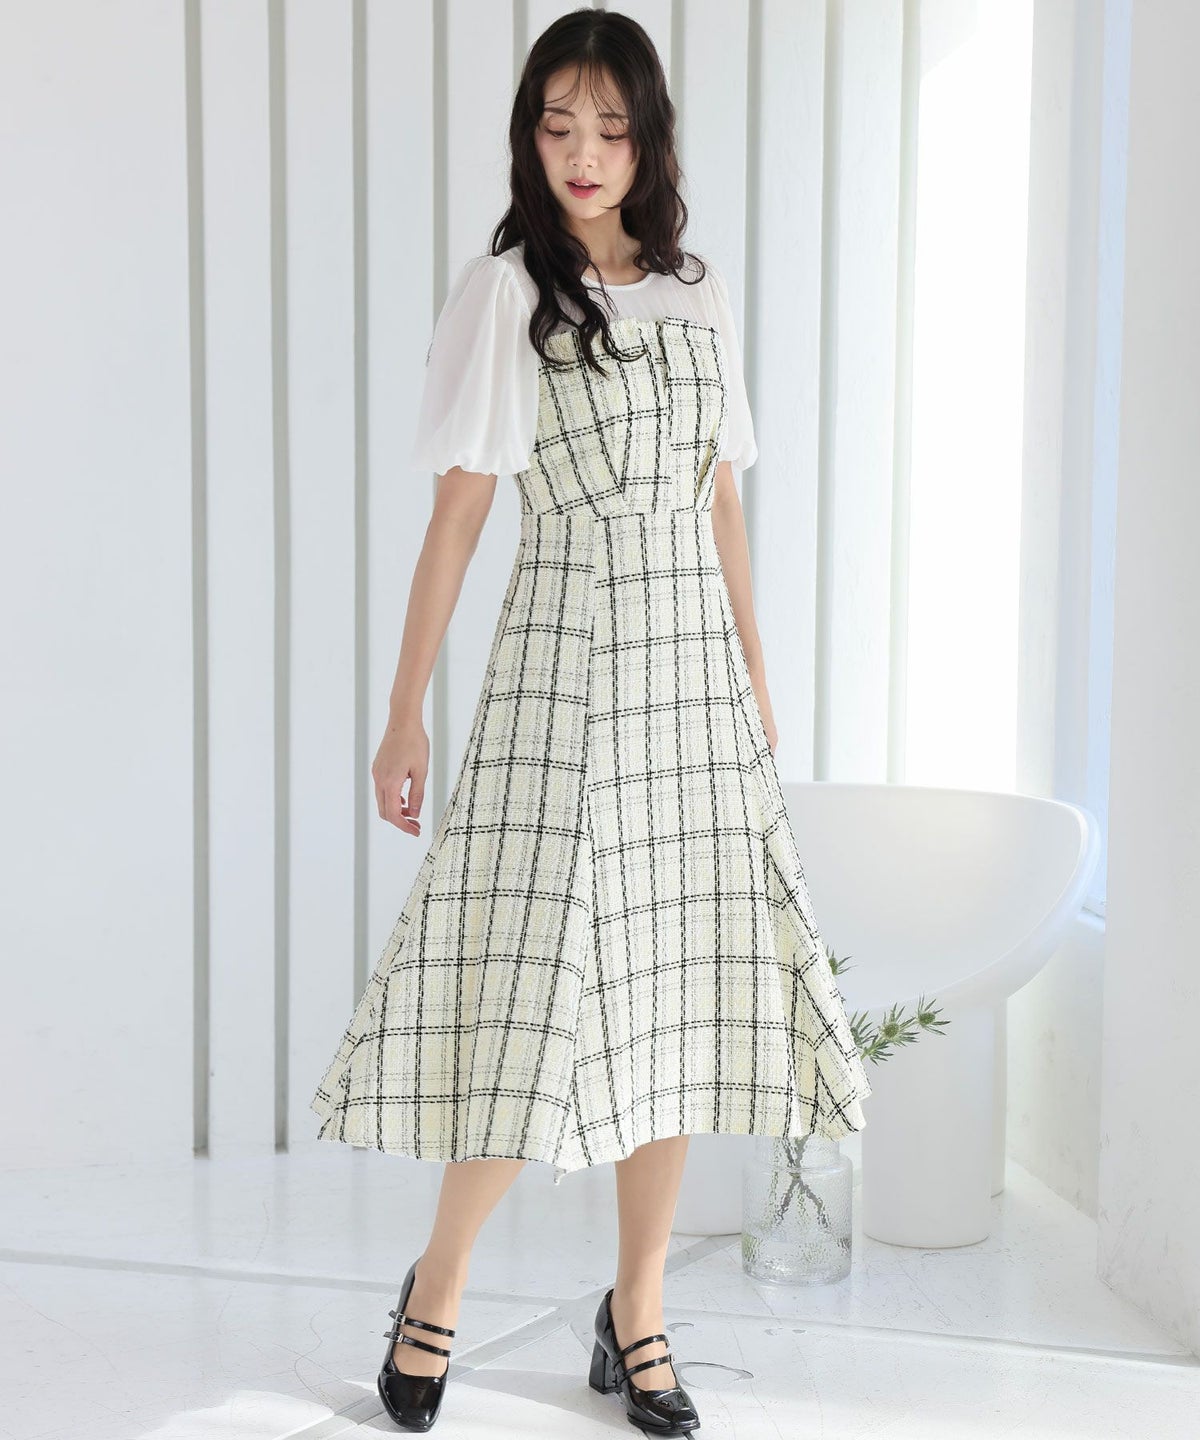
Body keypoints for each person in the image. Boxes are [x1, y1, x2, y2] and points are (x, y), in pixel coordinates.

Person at [309, 8, 871, 1434]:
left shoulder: (695, 289)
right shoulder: (509, 294)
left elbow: (722, 500)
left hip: (692, 685)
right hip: (564, 669)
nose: (583, 153)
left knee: (668, 996)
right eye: (559, 126)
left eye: (610, 128)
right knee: (533, 989)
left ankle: (641, 1313)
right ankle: (440, 1285)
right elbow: (457, 518)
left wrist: (756, 681)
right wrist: (403, 712)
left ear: (647, 139)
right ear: (530, 137)